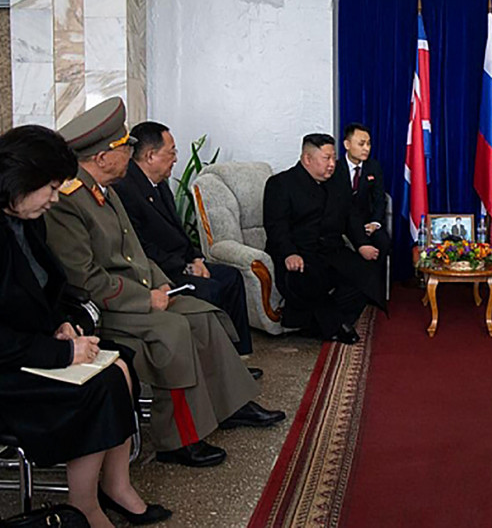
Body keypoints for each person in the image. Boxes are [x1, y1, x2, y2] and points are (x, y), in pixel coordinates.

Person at [0, 126, 171, 527]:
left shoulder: (24, 217)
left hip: (23, 347)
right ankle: (83, 505)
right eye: (49, 187)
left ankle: (114, 486)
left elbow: (47, 288)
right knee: (98, 387)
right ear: (17, 180)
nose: (54, 198)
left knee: (119, 363)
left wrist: (64, 325)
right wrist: (61, 353)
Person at [46, 98, 285, 469]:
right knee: (173, 330)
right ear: (101, 156)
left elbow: (136, 253)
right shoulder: (70, 201)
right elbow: (85, 279)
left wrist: (162, 286)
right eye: (124, 146)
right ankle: (178, 438)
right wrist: (146, 300)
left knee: (203, 314)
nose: (130, 152)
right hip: (109, 308)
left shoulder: (105, 191)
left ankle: (231, 405)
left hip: (138, 292)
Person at [113, 121, 258, 370]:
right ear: (150, 156)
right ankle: (216, 367)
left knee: (231, 277)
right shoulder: (126, 190)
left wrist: (197, 258)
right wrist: (185, 267)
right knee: (209, 289)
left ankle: (237, 358)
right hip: (159, 272)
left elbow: (179, 232)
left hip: (182, 263)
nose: (176, 159)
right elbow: (140, 247)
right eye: (171, 152)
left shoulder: (159, 183)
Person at [263, 133, 385, 344]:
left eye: (333, 158)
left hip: (331, 250)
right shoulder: (281, 184)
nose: (332, 164)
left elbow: (350, 217)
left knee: (367, 273)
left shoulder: (337, 184)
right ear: (307, 159)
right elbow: (276, 226)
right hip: (299, 253)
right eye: (326, 158)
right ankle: (335, 326)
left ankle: (314, 323)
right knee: (306, 279)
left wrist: (362, 244)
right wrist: (289, 252)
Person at [330, 122, 390, 254]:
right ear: (347, 145)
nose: (366, 148)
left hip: (367, 223)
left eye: (368, 144)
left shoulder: (373, 167)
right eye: (361, 144)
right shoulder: (335, 168)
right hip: (341, 224)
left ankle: (378, 275)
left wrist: (375, 222)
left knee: (382, 243)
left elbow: (379, 198)